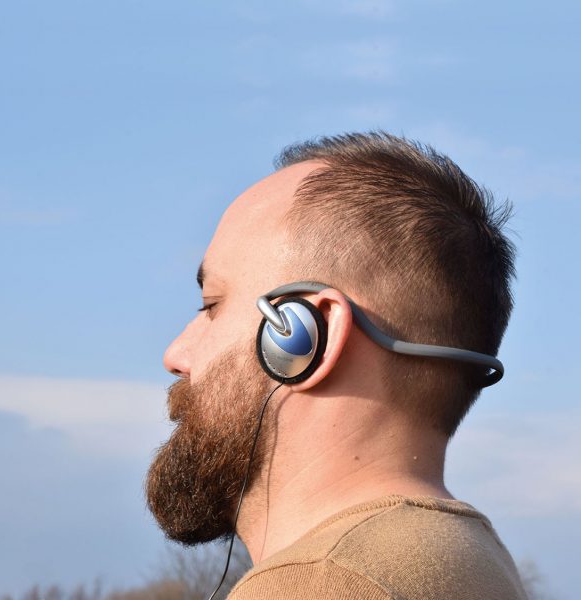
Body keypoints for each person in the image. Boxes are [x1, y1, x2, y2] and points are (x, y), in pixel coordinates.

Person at [145, 131, 528, 599]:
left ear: (305, 336)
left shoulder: (322, 584)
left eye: (212, 305)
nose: (176, 354)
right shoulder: (471, 561)